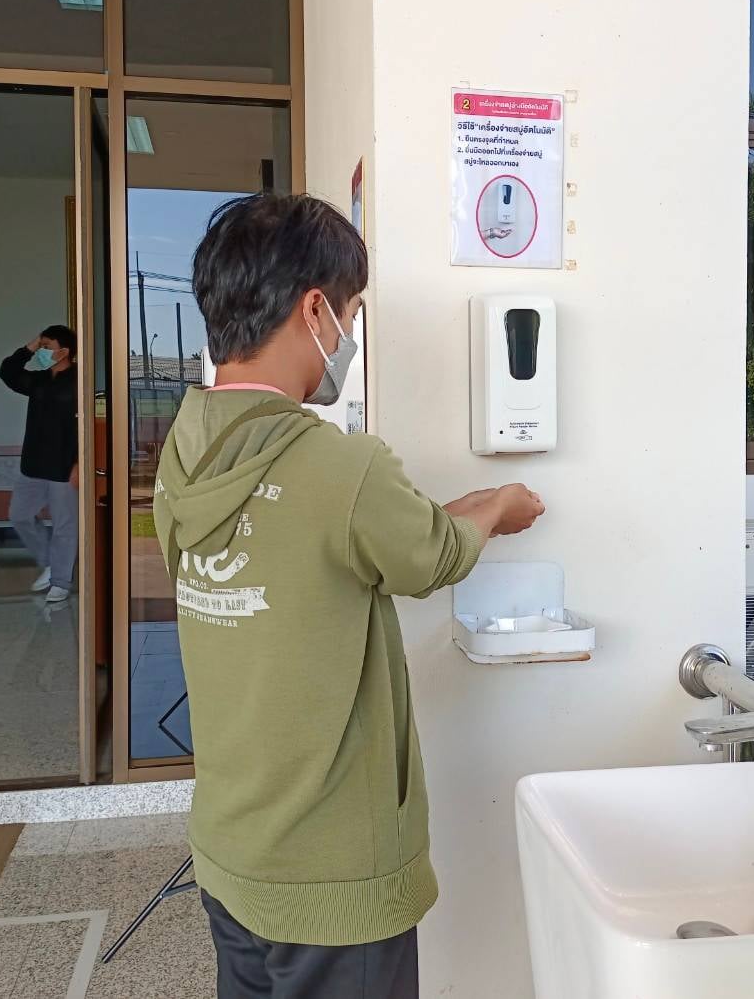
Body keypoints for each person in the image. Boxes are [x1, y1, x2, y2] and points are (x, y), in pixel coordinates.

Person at [154, 193, 544, 999]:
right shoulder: (340, 466)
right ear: (314, 310)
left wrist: (459, 509)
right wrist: (500, 506)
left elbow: (347, 539)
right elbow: (430, 555)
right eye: (351, 312)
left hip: (232, 845)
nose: (348, 336)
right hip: (331, 872)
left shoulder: (182, 454)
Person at [0, 325, 79, 604]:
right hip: (32, 463)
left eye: (47, 347)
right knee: (19, 516)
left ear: (64, 352)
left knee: (64, 525)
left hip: (64, 466)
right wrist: (31, 346)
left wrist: (79, 463)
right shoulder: (39, 380)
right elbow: (7, 372)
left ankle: (61, 581)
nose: (41, 351)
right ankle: (50, 562)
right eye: (41, 346)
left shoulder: (80, 382)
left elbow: (85, 427)